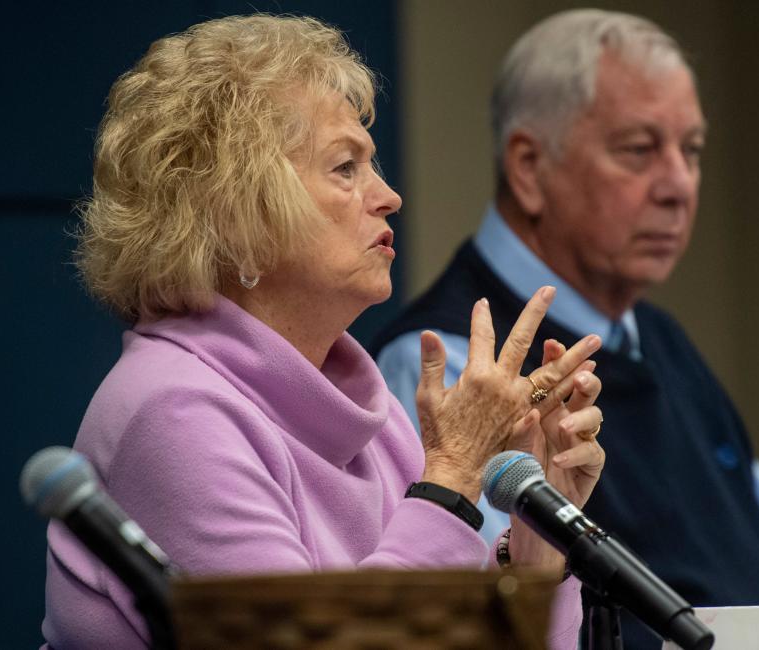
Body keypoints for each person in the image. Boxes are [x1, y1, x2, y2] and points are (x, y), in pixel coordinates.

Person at [43, 15, 608, 649]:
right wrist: (451, 473)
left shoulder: (362, 407)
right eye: (346, 168)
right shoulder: (174, 413)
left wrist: (537, 544)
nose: (390, 196)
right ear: (240, 217)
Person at [374, 9, 759, 650]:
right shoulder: (450, 361)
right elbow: (482, 623)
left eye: (692, 150)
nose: (679, 184)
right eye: (640, 150)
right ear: (530, 169)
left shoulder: (660, 341)